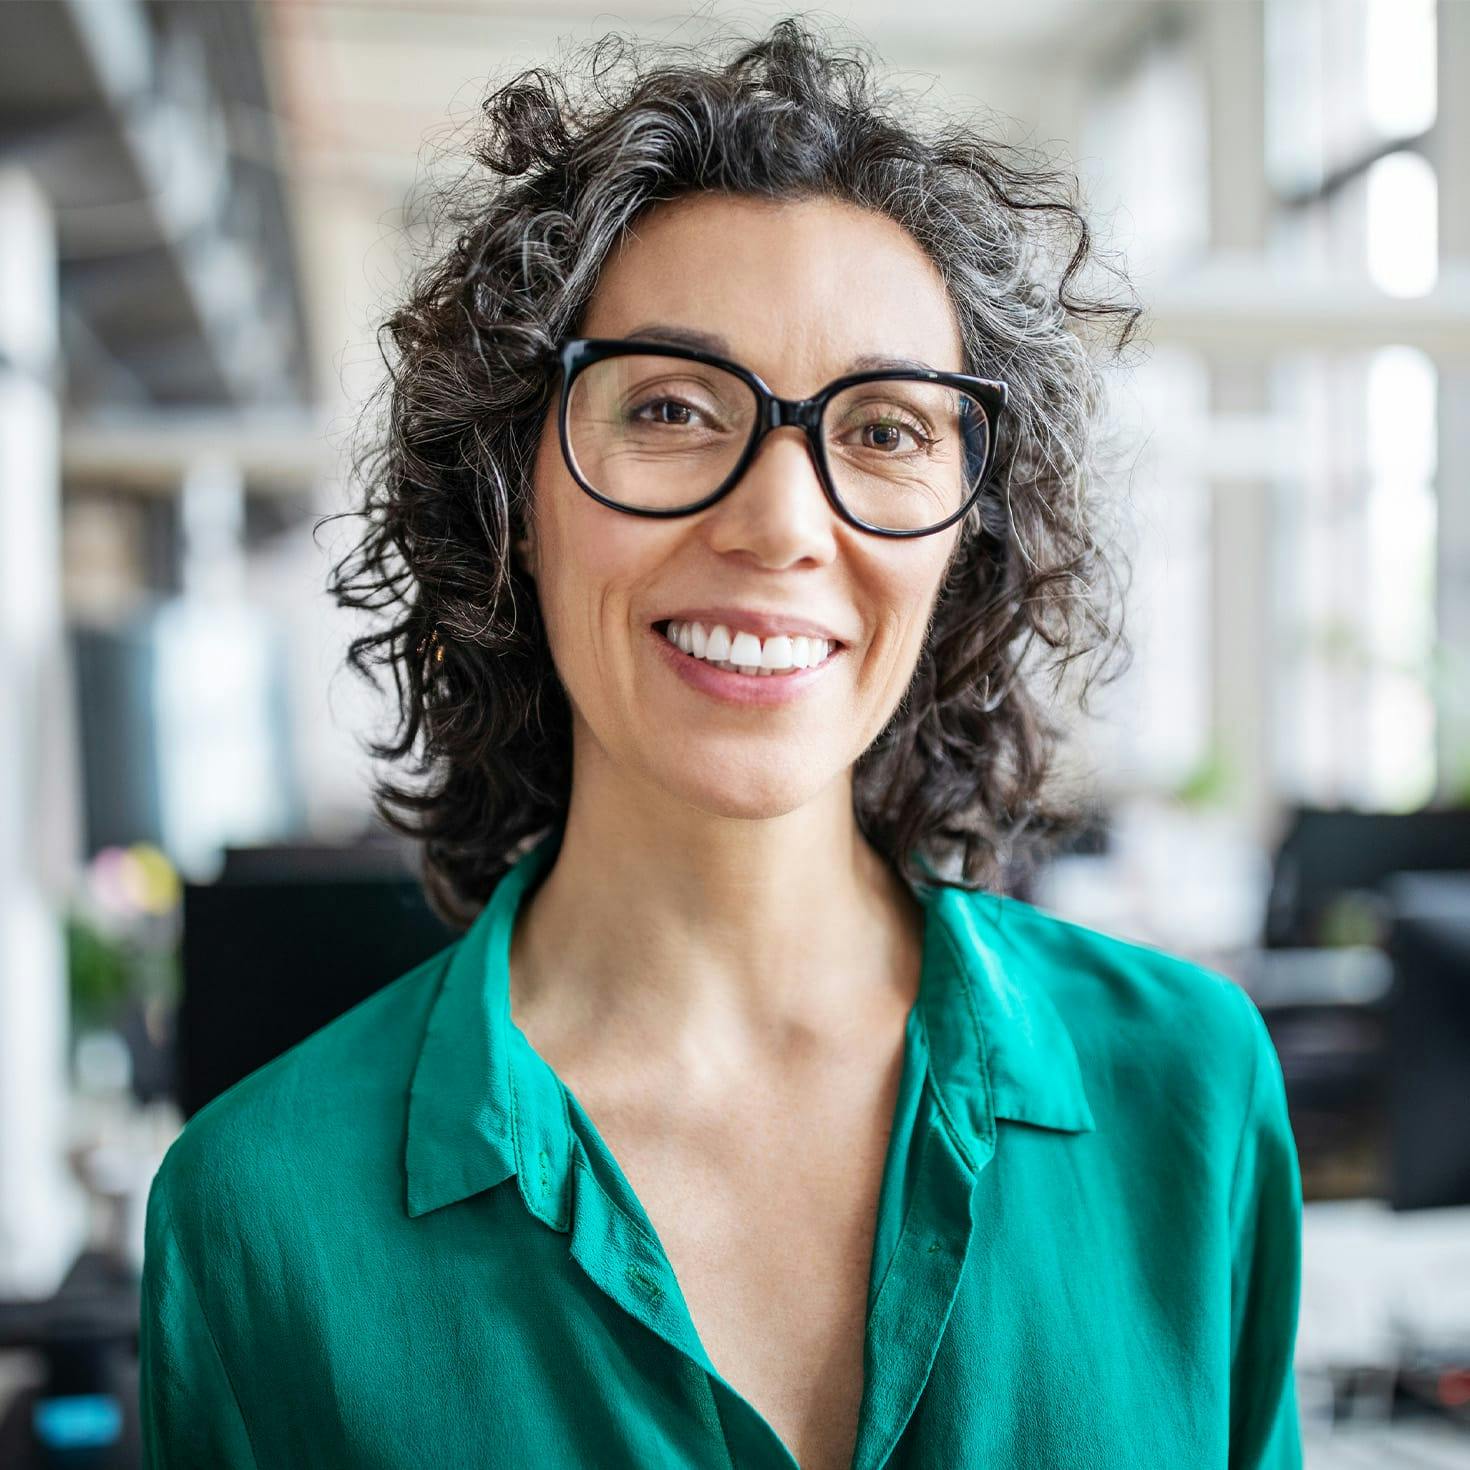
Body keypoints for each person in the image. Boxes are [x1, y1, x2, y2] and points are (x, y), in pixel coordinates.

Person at [138, 18, 1303, 1469]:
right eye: (672, 408)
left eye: (886, 430)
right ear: (511, 501)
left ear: (966, 542)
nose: (779, 522)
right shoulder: (261, 1217)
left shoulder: (1187, 1093)